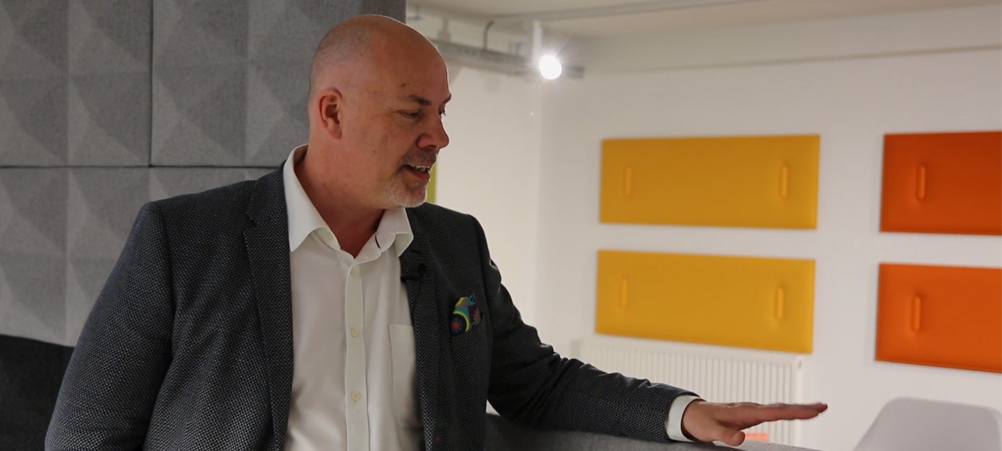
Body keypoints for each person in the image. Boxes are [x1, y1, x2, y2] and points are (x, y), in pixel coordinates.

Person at [46, 14, 826, 451]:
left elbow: (537, 381)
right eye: (412, 112)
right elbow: (87, 433)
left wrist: (682, 412)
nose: (439, 137)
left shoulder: (454, 246)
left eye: (443, 111)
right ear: (332, 112)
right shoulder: (185, 240)